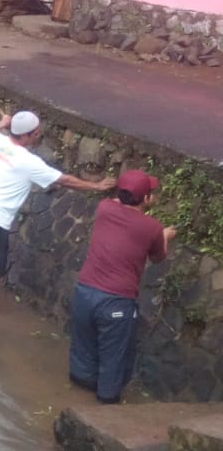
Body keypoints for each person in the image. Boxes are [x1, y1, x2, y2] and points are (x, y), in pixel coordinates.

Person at [0, 111, 116, 313]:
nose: (38, 135)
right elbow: (64, 180)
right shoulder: (29, 162)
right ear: (25, 135)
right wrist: (96, 186)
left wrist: (0, 123)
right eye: (35, 133)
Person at [69, 170, 175, 404]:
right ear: (146, 199)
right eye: (151, 193)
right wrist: (165, 235)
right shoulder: (152, 227)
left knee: (83, 351)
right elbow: (158, 257)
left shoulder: (104, 208)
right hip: (115, 302)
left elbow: (121, 203)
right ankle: (106, 413)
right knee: (114, 361)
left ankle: (76, 398)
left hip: (84, 292)